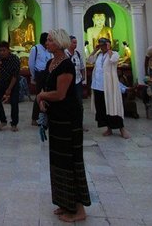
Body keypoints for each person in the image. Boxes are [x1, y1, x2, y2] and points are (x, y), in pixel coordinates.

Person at [36, 29, 91, 222]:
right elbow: (48, 87)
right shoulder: (51, 63)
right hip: (56, 117)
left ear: (59, 43)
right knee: (58, 160)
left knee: (71, 160)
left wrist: (41, 96)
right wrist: (42, 99)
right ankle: (63, 201)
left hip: (69, 118)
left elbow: (60, 94)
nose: (47, 43)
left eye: (50, 40)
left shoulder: (67, 65)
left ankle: (79, 208)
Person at [88, 37, 130, 139]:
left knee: (113, 106)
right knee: (102, 108)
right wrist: (94, 50)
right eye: (100, 45)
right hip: (98, 85)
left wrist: (109, 49)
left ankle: (121, 128)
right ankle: (109, 128)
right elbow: (90, 60)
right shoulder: (98, 55)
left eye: (103, 45)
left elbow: (113, 60)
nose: (102, 47)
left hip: (109, 86)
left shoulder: (114, 54)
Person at [0, 41, 21, 131]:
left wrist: (9, 90)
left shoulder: (15, 59)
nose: (2, 52)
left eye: (4, 50)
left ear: (8, 50)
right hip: (2, 81)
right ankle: (3, 121)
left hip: (13, 82)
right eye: (0, 50)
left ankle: (14, 124)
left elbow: (15, 76)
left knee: (14, 103)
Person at [1, 0, 35, 64]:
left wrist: (21, 48)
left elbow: (32, 44)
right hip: (11, 51)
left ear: (26, 9)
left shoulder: (29, 23)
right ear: (9, 9)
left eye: (21, 8)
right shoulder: (5, 23)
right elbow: (4, 44)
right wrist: (10, 50)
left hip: (25, 52)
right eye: (14, 8)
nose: (17, 11)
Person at [29, 33, 52, 126]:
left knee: (49, 95)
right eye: (48, 40)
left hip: (48, 74)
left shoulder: (49, 50)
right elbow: (31, 64)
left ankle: (46, 118)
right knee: (39, 96)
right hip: (39, 74)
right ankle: (35, 118)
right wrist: (33, 76)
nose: (49, 42)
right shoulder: (35, 49)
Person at [66, 35, 87, 129]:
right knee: (68, 103)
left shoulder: (77, 54)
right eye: (74, 42)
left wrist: (83, 77)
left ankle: (79, 123)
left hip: (77, 81)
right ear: (69, 43)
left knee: (79, 103)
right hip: (67, 83)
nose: (75, 44)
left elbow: (82, 67)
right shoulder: (64, 54)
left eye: (76, 42)